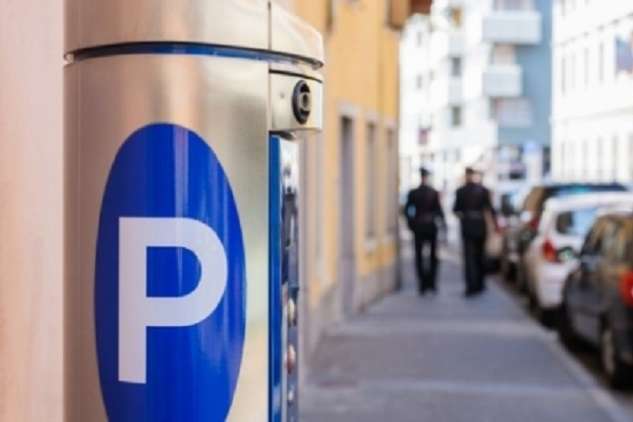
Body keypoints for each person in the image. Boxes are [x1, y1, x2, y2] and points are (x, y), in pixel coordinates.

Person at [453, 167, 497, 297]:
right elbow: (490, 209)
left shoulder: (461, 191)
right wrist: (495, 224)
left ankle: (471, 286)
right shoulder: (482, 190)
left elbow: (456, 210)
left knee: (469, 258)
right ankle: (479, 283)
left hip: (468, 226)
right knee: (479, 255)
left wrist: (464, 216)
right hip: (480, 226)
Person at [404, 167, 446, 295]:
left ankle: (425, 283)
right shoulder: (431, 192)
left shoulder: (416, 192)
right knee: (429, 256)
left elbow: (407, 211)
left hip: (421, 227)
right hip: (428, 227)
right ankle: (429, 283)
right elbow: (439, 211)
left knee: (422, 256)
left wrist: (411, 224)